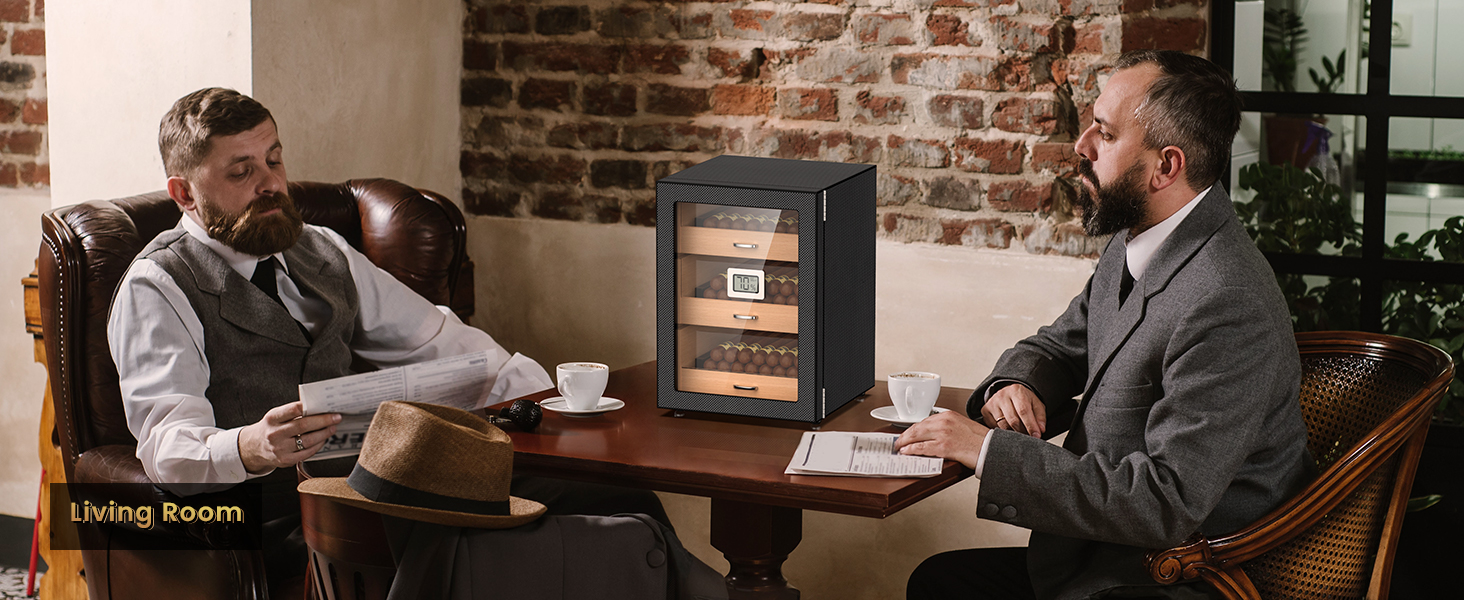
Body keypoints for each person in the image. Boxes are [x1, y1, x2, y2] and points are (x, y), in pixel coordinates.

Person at [106, 87, 664, 584]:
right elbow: (165, 449)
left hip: (377, 481)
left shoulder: (324, 248)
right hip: (271, 507)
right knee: (470, 549)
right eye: (241, 172)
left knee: (625, 502)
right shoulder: (157, 287)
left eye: (274, 158)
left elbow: (449, 346)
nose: (272, 184)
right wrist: (251, 446)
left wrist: (543, 405)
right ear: (183, 193)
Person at [896, 50, 1317, 600]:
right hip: (1107, 559)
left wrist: (986, 452)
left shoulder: (1227, 301)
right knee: (939, 582)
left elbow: (1165, 500)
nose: (1081, 148)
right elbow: (1062, 343)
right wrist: (1017, 383)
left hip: (1183, 576)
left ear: (1166, 167)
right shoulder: (1141, 239)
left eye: (1106, 133)